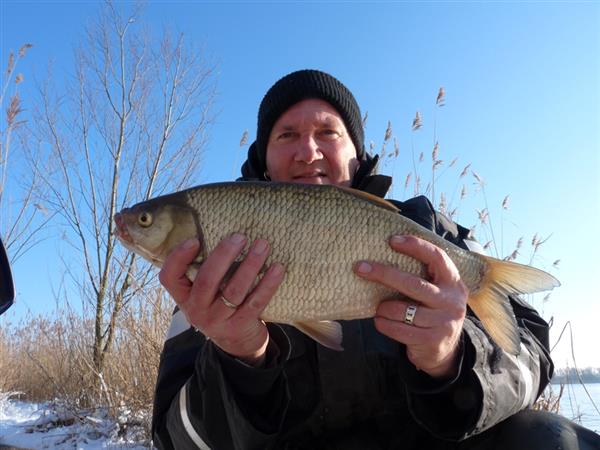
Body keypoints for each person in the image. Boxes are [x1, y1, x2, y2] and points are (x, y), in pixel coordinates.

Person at [151, 69, 600, 449]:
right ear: (264, 161)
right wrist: (238, 359)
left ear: (356, 154)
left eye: (328, 132)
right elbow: (174, 437)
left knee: (552, 438)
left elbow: (533, 353)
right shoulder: (212, 272)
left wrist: (452, 358)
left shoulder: (432, 232)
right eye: (287, 135)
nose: (308, 151)